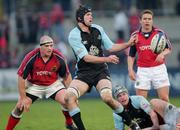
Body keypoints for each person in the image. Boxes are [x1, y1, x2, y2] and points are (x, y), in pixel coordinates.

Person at [64, 5, 140, 130]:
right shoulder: (74, 35)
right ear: (79, 18)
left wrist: (128, 43)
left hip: (100, 71)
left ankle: (131, 123)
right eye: (88, 14)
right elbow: (86, 58)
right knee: (68, 97)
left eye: (91, 14)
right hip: (84, 72)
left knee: (107, 97)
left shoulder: (98, 29)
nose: (91, 16)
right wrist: (107, 59)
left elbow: (110, 47)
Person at [5, 35, 77, 130]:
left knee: (68, 100)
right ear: (40, 47)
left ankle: (69, 123)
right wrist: (23, 98)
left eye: (51, 46)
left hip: (53, 84)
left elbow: (66, 76)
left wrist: (72, 93)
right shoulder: (31, 57)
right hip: (34, 85)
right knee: (19, 107)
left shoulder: (59, 57)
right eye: (47, 46)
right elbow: (21, 78)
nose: (50, 48)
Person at [127, 9, 172, 102]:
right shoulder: (135, 35)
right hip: (142, 70)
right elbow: (131, 55)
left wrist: (162, 54)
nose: (147, 21)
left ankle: (163, 117)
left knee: (164, 99)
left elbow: (169, 48)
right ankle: (146, 117)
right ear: (140, 20)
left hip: (159, 68)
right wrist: (130, 70)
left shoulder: (160, 33)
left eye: (149, 19)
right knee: (141, 101)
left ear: (152, 20)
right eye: (145, 19)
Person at [113, 85, 180, 130]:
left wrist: (155, 126)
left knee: (154, 101)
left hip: (158, 120)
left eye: (124, 94)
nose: (122, 97)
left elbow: (152, 114)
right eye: (119, 96)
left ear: (128, 95)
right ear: (116, 99)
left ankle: (177, 117)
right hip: (150, 127)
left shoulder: (137, 99)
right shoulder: (117, 114)